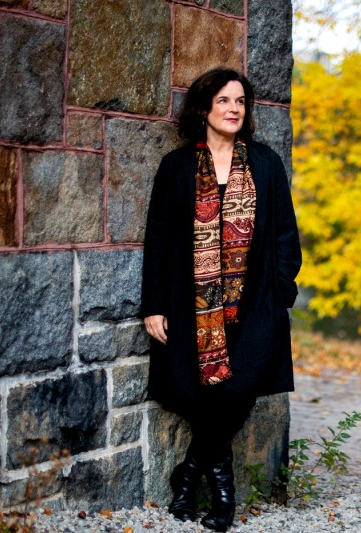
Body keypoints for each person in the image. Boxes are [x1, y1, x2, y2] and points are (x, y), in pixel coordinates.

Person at [140, 68, 302, 532]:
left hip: (254, 306)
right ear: (204, 109)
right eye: (224, 101)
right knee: (197, 391)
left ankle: (192, 475)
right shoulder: (177, 167)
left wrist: (282, 290)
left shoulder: (266, 164)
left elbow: (286, 236)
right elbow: (160, 238)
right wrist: (153, 304)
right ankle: (213, 489)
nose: (234, 108)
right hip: (193, 306)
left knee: (238, 389)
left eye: (241, 101)